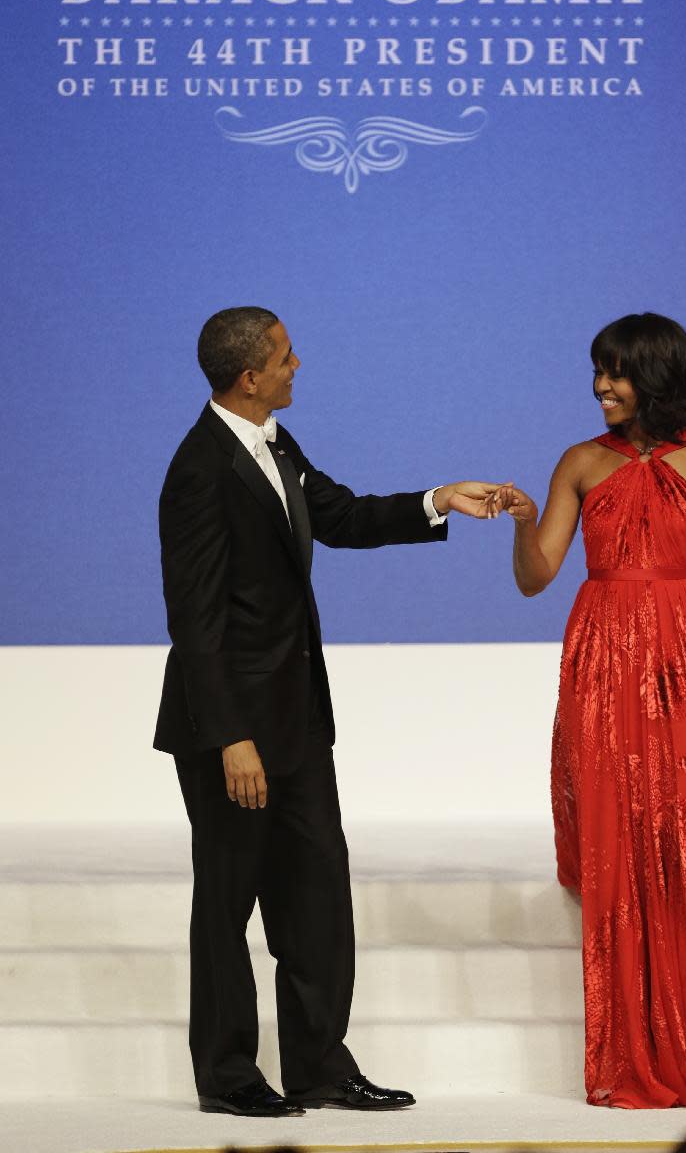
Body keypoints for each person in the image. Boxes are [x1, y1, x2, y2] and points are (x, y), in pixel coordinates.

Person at [154, 306, 505, 1118]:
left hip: (298, 721)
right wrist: (231, 736)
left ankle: (317, 1065)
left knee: (315, 896)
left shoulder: (275, 442)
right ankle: (230, 1076)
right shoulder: (200, 469)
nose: (296, 364)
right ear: (249, 377)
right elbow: (195, 617)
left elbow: (338, 515)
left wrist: (438, 499)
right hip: (231, 730)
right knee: (228, 900)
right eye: (284, 356)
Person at [496, 313, 686, 1108]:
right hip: (603, 668)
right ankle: (627, 1056)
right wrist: (520, 523)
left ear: (656, 373)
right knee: (620, 842)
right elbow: (536, 576)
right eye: (597, 372)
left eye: (615, 372)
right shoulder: (580, 462)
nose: (600, 386)